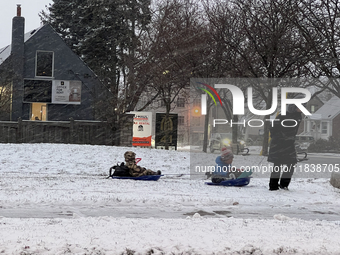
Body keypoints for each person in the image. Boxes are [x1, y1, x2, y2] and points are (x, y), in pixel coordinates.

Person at [267, 102, 303, 191]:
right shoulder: (283, 115)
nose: (301, 109)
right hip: (279, 143)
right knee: (277, 164)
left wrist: (289, 138)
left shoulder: (298, 116)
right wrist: (279, 137)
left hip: (289, 143)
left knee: (291, 163)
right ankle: (273, 186)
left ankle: (284, 184)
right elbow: (273, 128)